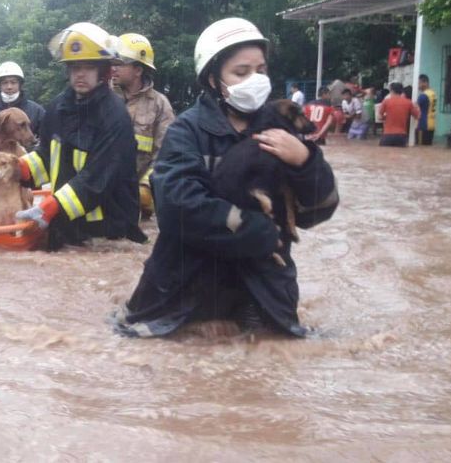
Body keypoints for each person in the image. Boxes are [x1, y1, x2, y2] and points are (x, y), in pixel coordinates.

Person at [113, 17, 339, 338]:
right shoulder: (187, 132)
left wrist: (305, 162)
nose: (255, 80)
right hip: (183, 299)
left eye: (260, 70)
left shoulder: (284, 131)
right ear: (213, 79)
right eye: (241, 72)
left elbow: (318, 210)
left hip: (264, 297)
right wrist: (255, 230)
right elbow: (177, 208)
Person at [15, 22, 147, 249]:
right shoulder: (57, 108)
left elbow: (97, 178)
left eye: (88, 67)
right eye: (74, 67)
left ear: (104, 71)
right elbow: (47, 155)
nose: (80, 74)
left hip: (107, 234)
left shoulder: (115, 115)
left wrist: (51, 207)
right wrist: (17, 169)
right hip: (67, 227)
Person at [111, 33, 176, 218]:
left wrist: (146, 187)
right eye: (112, 63)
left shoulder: (160, 105)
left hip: (141, 204)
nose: (113, 68)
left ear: (138, 70)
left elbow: (166, 154)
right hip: (102, 196)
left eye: (120, 63)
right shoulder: (102, 98)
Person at [0, 61, 46, 136]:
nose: (9, 87)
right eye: (5, 83)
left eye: (13, 82)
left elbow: (45, 139)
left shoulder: (36, 111)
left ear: (20, 85)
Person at [378, 82, 421, 147]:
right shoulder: (408, 102)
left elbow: (379, 117)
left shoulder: (386, 101)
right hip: (401, 136)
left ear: (391, 90)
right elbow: (418, 116)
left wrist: (386, 117)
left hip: (387, 135)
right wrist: (418, 107)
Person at [416, 74, 437, 145]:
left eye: (419, 83)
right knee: (427, 147)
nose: (418, 85)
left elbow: (415, 109)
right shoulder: (433, 93)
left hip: (423, 125)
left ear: (425, 83)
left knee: (420, 148)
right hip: (432, 125)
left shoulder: (423, 96)